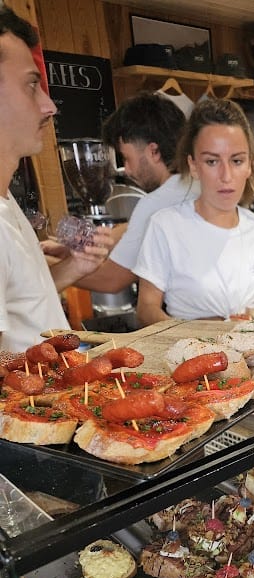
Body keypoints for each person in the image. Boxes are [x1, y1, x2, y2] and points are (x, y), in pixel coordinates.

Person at [0, 5, 112, 353]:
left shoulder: (7, 202)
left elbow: (21, 308)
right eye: (32, 85)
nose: (50, 106)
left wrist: (74, 265)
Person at [133, 98, 254, 325]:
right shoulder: (166, 225)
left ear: (249, 165)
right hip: (193, 354)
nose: (226, 176)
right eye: (212, 161)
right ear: (193, 166)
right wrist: (197, 335)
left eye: (237, 161)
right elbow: (146, 310)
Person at [61, 91, 198, 294]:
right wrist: (101, 240)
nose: (128, 169)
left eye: (126, 158)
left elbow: (110, 280)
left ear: (154, 151)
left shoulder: (154, 203)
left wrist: (43, 265)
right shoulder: (198, 183)